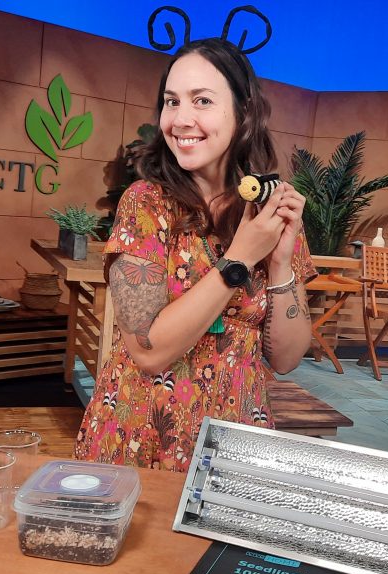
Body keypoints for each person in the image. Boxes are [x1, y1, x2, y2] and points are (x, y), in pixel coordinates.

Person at [73, 38, 316, 472]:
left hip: (234, 439)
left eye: (201, 100)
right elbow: (147, 351)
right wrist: (239, 258)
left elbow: (286, 359)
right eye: (171, 102)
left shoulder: (269, 211)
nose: (181, 119)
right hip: (143, 434)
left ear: (244, 112)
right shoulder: (146, 204)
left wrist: (278, 262)